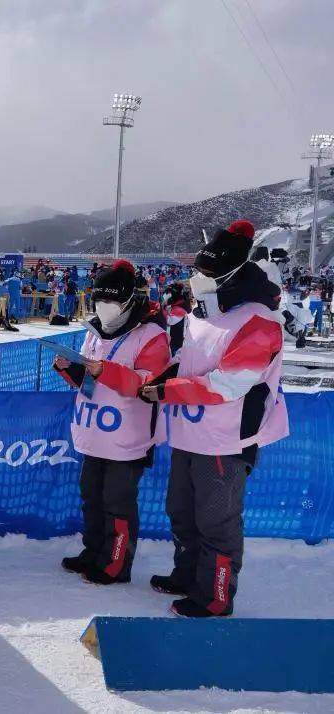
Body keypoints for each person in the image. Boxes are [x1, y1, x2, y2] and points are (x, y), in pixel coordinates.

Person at [141, 219, 287, 617]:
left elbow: (228, 385)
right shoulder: (203, 312)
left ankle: (215, 595)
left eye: (206, 273)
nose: (197, 279)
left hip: (224, 438)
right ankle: (187, 575)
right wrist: (164, 378)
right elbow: (187, 364)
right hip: (189, 431)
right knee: (181, 512)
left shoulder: (258, 320)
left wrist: (168, 390)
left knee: (216, 521)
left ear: (232, 275)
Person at [53, 260, 170, 585]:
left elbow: (147, 383)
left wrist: (104, 370)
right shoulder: (93, 332)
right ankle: (93, 551)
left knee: (117, 501)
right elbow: (90, 385)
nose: (105, 309)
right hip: (96, 433)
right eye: (99, 302)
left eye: (112, 303)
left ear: (128, 300)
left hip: (128, 439)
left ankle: (117, 563)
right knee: (92, 495)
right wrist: (70, 369)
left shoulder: (151, 334)